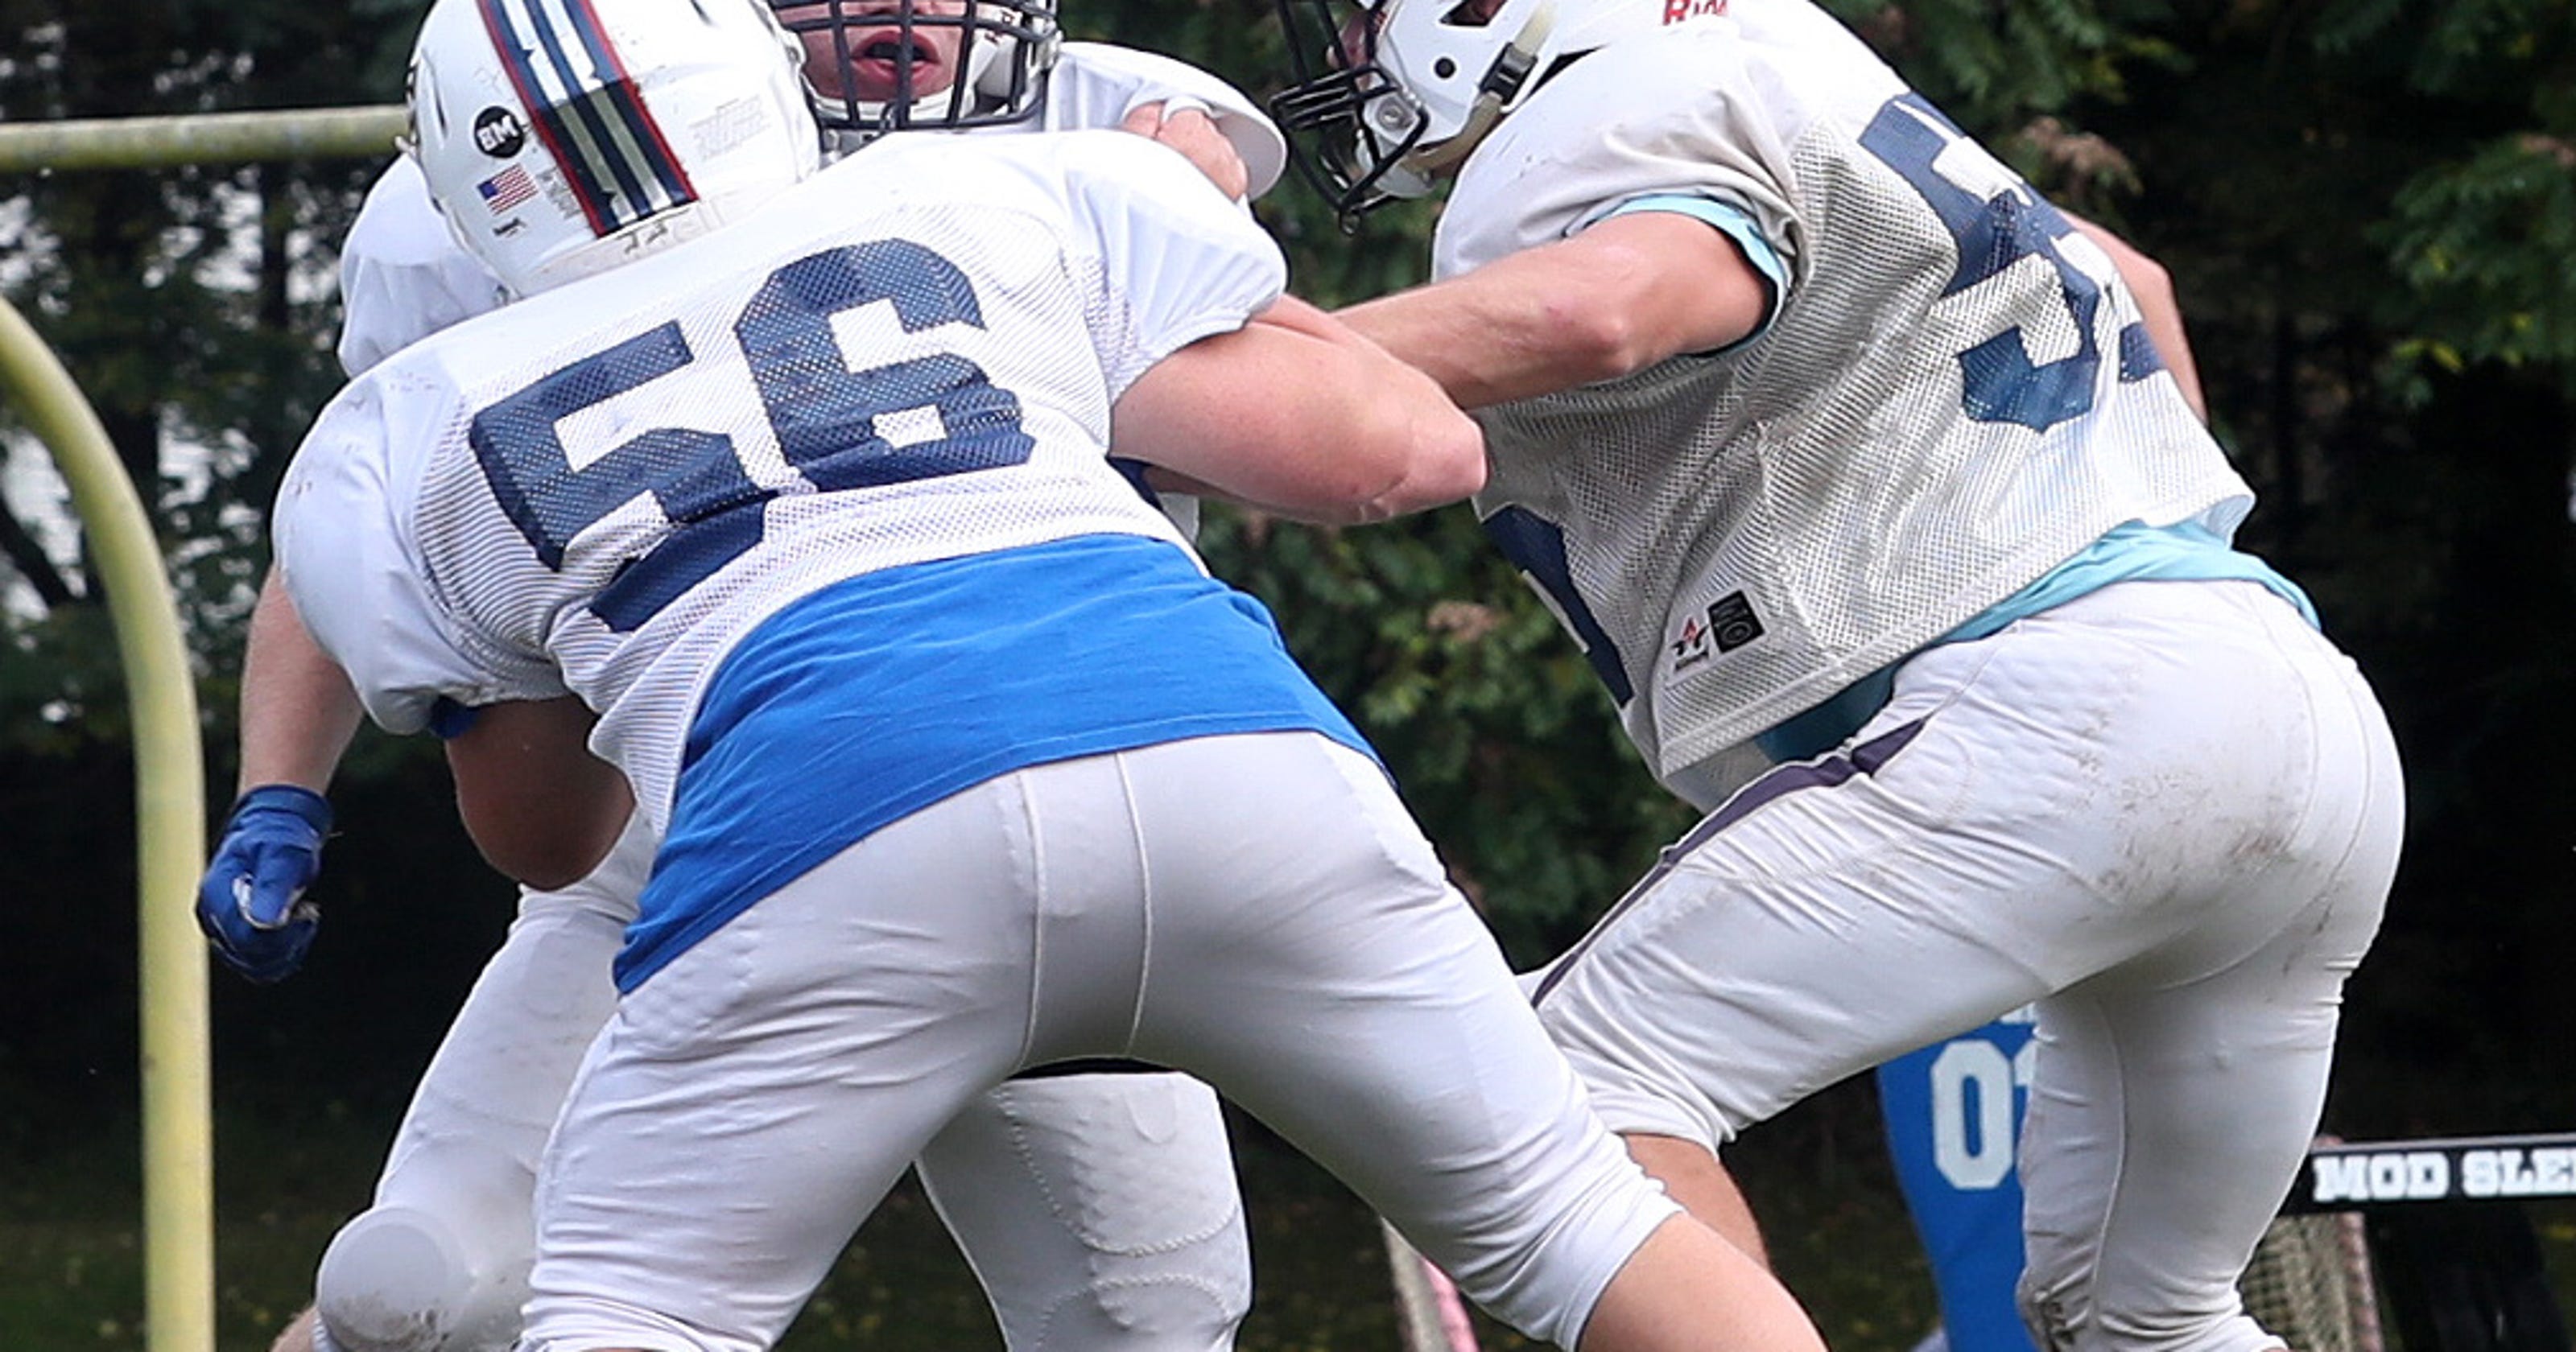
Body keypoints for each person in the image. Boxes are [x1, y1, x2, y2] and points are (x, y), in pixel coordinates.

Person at [264, 2, 1836, 1351]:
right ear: (749, 72)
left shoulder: (394, 437)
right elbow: (1412, 452)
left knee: (631, 1311)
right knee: (1577, 1230)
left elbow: (548, 837)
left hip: (807, 816)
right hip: (1222, 749)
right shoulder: (1023, 182)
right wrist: (1179, 296)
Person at [1265, 0, 2407, 1348]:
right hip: (2283, 691)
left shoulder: (1604, 113)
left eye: (1365, 20)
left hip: (2066, 710)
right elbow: (2134, 283)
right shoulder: (1796, 70)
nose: (1345, 57)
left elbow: (1606, 305)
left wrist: (1217, 366)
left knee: (1560, 1085)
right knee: (2140, 1318)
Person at [196, 4, 1298, 1351]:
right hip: (679, 813)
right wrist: (279, 789)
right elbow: (365, 519)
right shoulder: (511, 168)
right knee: (424, 1291)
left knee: (1145, 1319)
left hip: (1060, 754)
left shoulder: (1114, 125)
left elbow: (1323, 429)